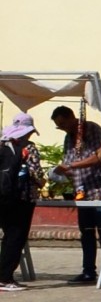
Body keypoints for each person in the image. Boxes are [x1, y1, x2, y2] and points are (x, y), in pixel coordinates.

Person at [52, 105, 101, 284]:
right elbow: (68, 161)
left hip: (100, 188)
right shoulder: (68, 138)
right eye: (59, 126)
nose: (63, 128)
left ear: (72, 117)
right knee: (86, 232)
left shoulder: (92, 129)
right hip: (81, 191)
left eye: (64, 124)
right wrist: (62, 172)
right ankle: (88, 271)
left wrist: (72, 166)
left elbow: (98, 157)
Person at [0, 113, 46, 291]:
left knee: (8, 235)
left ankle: (4, 275)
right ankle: (5, 278)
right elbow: (36, 174)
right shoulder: (29, 148)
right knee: (16, 237)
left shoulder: (3, 144)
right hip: (21, 198)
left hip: (2, 196)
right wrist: (44, 181)